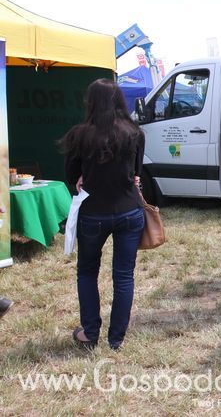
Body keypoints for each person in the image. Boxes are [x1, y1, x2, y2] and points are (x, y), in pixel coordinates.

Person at [61, 79, 145, 350]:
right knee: (124, 275)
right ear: (119, 100)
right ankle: (116, 338)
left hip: (93, 214)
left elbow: (71, 176)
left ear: (91, 102)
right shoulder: (134, 132)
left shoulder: (79, 134)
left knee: (87, 271)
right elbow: (136, 173)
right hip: (129, 211)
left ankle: (90, 333)